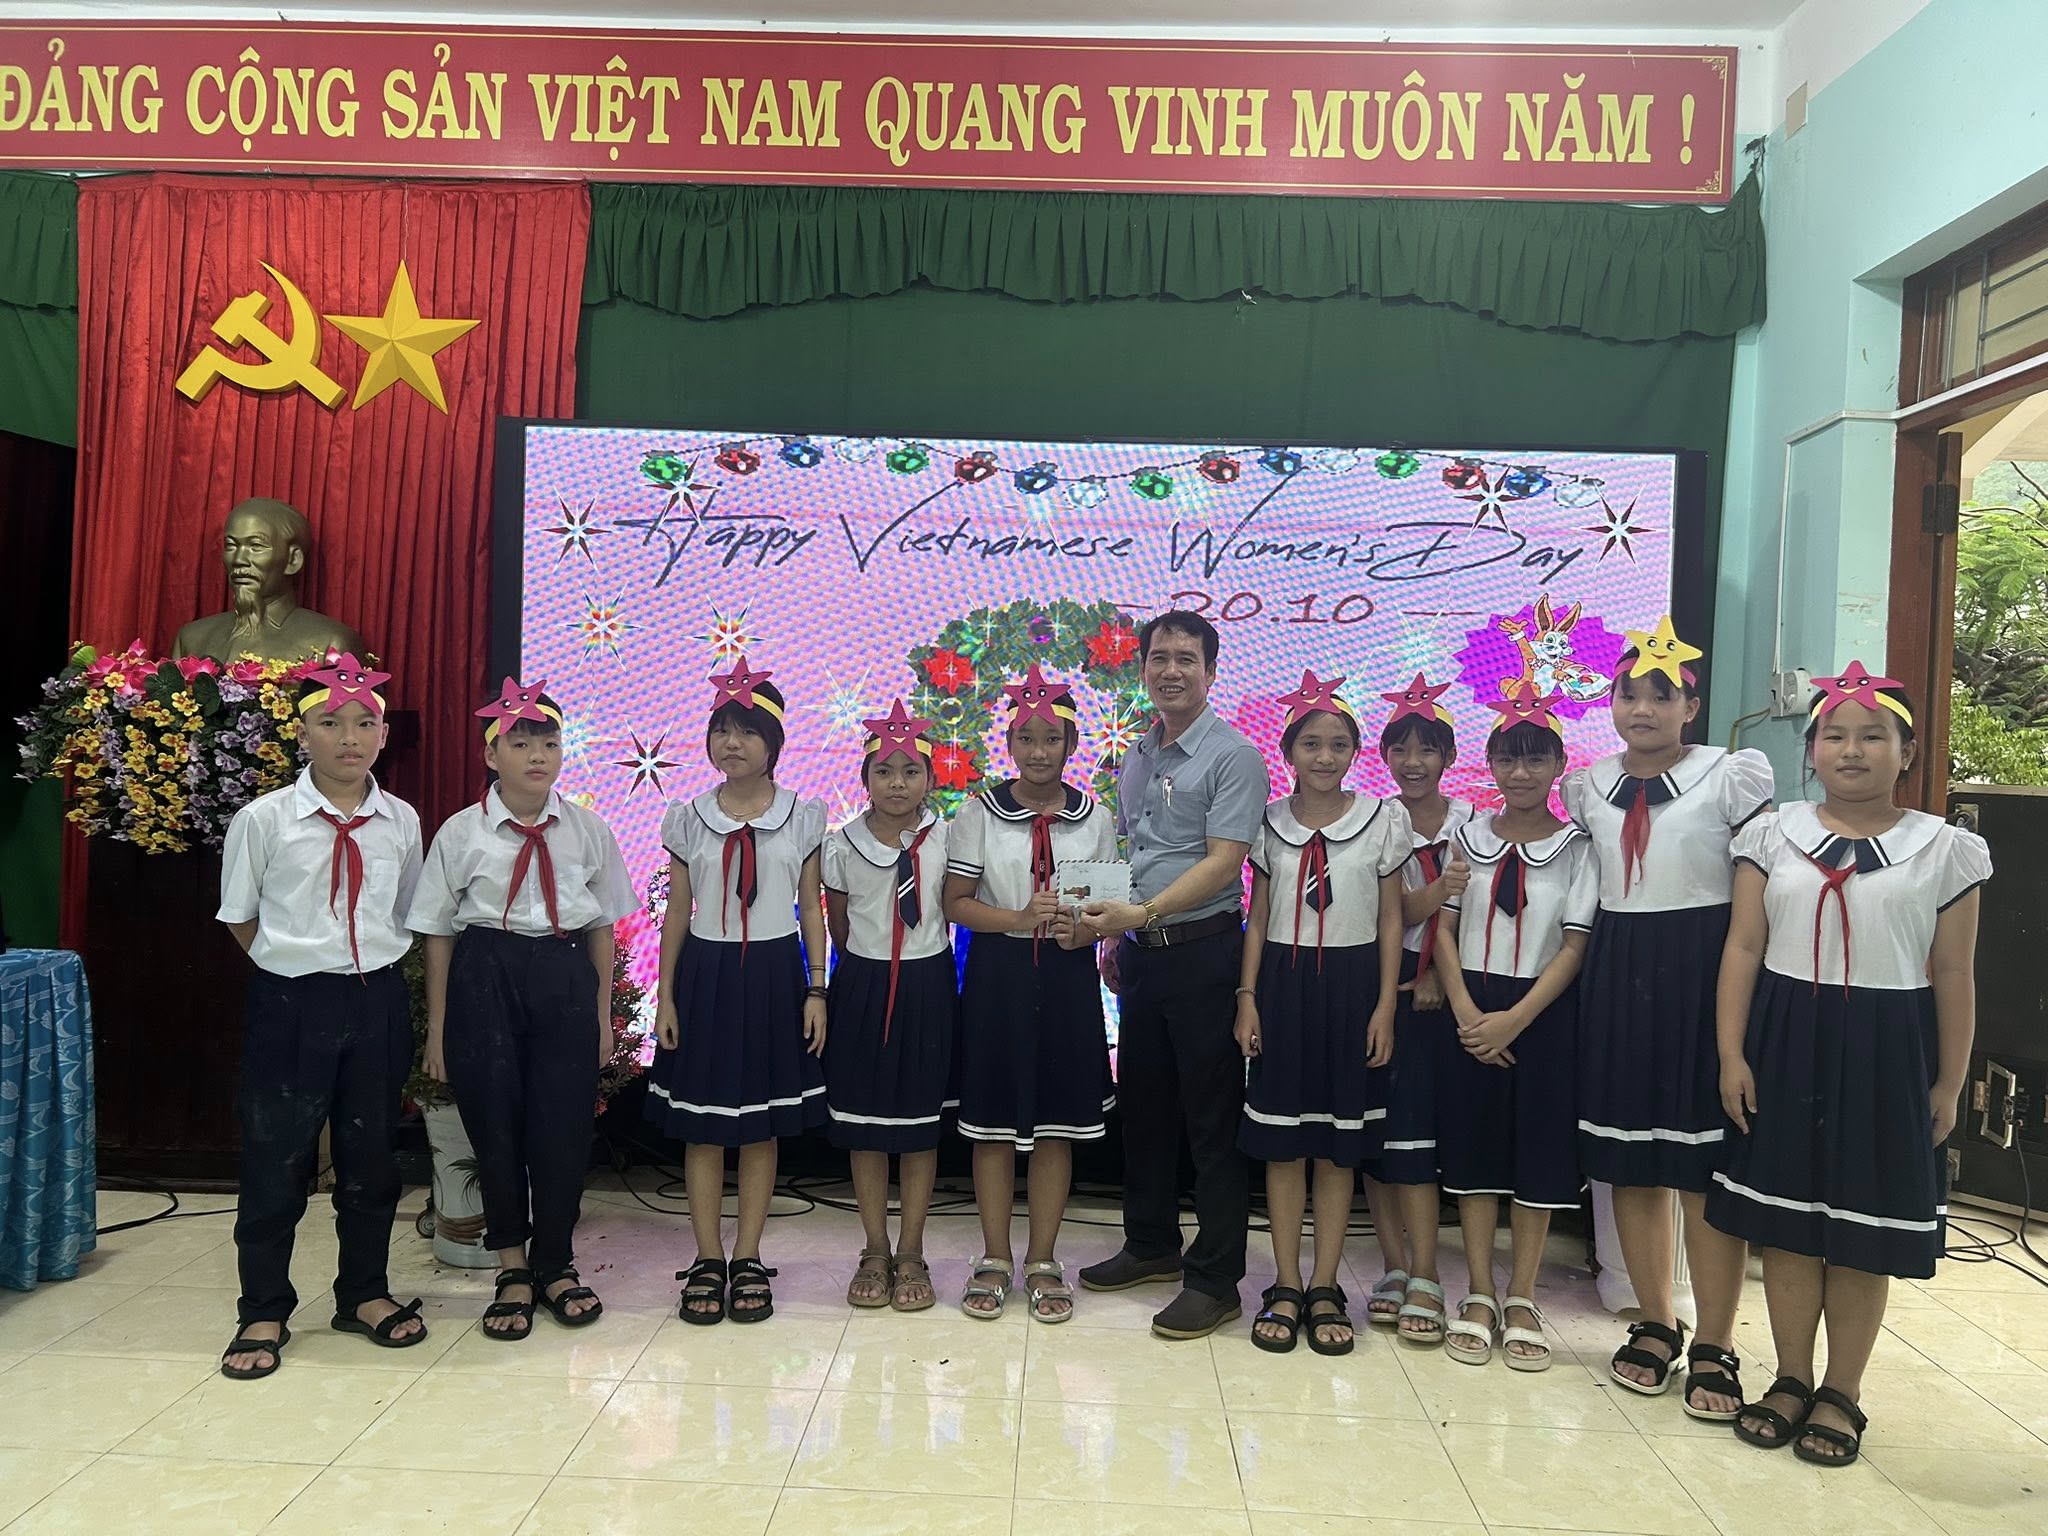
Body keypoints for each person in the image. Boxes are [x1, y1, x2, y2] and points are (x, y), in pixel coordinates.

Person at [1710, 667, 1987, 1466]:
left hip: (1887, 1046)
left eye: (1873, 736)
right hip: (1786, 1037)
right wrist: (1731, 1052)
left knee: (1864, 1228)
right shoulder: (1772, 835)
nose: (1852, 750)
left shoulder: (1946, 850)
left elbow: (1954, 972)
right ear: (1811, 750)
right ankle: (1790, 1376)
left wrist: (1950, 1081)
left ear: (1907, 752)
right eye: (1834, 735)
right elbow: (1744, 947)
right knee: (1788, 1223)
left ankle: (1842, 1390)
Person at [1561, 617, 1774, 1419]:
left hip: (1702, 969)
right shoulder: (1588, 786)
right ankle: (1655, 1321)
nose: (1643, 709)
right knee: (1631, 1160)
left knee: (1702, 1167)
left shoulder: (1729, 776)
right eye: (1628, 694)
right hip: (1619, 971)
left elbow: (1755, 896)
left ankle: (1715, 1339)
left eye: (1661, 696)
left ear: (1691, 706)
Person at [215, 655, 425, 1379]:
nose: (349, 738)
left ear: (384, 734)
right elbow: (240, 916)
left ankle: (363, 1292)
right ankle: (263, 1306)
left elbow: (405, 911)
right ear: (302, 734)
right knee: (276, 1157)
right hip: (291, 1002)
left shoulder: (401, 820)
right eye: (331, 723)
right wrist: (295, 967)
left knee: (372, 1156)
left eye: (365, 723)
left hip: (376, 999)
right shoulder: (264, 819)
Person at [413, 677, 636, 1340]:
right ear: (491, 754)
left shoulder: (587, 829)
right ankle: (512, 1268)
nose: (538, 755)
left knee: (562, 1129)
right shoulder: (462, 833)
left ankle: (556, 1264)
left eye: (549, 742)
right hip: (486, 971)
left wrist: (601, 1014)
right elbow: (438, 933)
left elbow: (603, 927)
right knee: (495, 1124)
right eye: (520, 743)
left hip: (563, 973)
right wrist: (439, 1027)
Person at [1080, 610, 1270, 1341]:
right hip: (1141, 953)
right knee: (1146, 1109)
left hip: (1202, 953)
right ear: (1143, 668)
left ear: (1210, 671)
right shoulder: (1137, 753)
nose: (1170, 671)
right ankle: (1151, 1243)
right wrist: (1113, 932)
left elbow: (1224, 863)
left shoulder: (1234, 756)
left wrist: (1143, 913)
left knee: (1210, 1121)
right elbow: (1132, 846)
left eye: (1186, 659)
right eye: (1158, 657)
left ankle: (1215, 1280)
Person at [646, 658, 829, 1325]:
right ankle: (706, 1258)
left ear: (773, 743)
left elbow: (811, 908)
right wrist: (666, 995)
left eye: (748, 731)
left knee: (760, 1126)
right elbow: (677, 912)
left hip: (776, 975)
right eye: (722, 729)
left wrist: (817, 989)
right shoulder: (688, 817)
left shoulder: (802, 817)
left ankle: (748, 1255)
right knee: (703, 1128)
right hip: (708, 973)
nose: (733, 743)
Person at [1234, 673, 1407, 1356]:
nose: (1325, 756)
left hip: (1353, 985)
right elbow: (1258, 918)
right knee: (1284, 1146)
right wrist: (1248, 997)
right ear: (1288, 752)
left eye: (1338, 744)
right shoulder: (1269, 823)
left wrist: (1385, 1004)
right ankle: (1285, 1282)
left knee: (1338, 1148)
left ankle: (1326, 1283)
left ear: (1355, 752)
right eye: (1311, 743)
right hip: (1283, 984)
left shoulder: (1381, 819)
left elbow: (1391, 920)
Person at [946, 664, 1117, 1323]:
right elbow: (956, 902)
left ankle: (1044, 1260)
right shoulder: (979, 813)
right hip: (1000, 976)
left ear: (1071, 744)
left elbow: (1102, 910)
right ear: (1009, 743)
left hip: (1067, 979)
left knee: (1055, 1127)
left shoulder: (1094, 817)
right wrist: (1020, 917)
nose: (1039, 751)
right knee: (992, 1127)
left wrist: (1085, 931)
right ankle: (994, 1257)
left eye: (1052, 738)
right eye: (1026, 738)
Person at [1432, 694, 1597, 1371]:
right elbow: (1443, 931)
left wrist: (1515, 1020)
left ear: (1559, 763)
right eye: (1508, 759)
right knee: (1474, 1153)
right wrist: (1469, 1014)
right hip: (1472, 1006)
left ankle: (1523, 1296)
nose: (1521, 773)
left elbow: (1574, 946)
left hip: (1542, 1012)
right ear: (1491, 763)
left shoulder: (1578, 848)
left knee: (1537, 1154)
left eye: (1535, 759)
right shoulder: (1467, 838)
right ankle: (1478, 1290)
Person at [822, 699, 958, 1312]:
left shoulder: (948, 839)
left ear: (930, 779)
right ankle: (874, 1247)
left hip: (928, 985)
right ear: (865, 778)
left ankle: (911, 1250)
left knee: (920, 1125)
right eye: (883, 771)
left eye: (910, 771)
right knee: (867, 1126)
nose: (896, 783)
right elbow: (840, 924)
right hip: (864, 984)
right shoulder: (841, 845)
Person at [1367, 673, 1474, 1341]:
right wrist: (1437, 894)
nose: (1413, 762)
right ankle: (1394, 1264)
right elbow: (1395, 910)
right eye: (1400, 749)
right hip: (1387, 979)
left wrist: (1436, 965)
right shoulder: (1377, 822)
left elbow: (1477, 911)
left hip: (1452, 984)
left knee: (1426, 1129)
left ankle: (1428, 1269)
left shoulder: (1474, 824)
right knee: (1382, 1127)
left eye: (1427, 748)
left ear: (1449, 757)